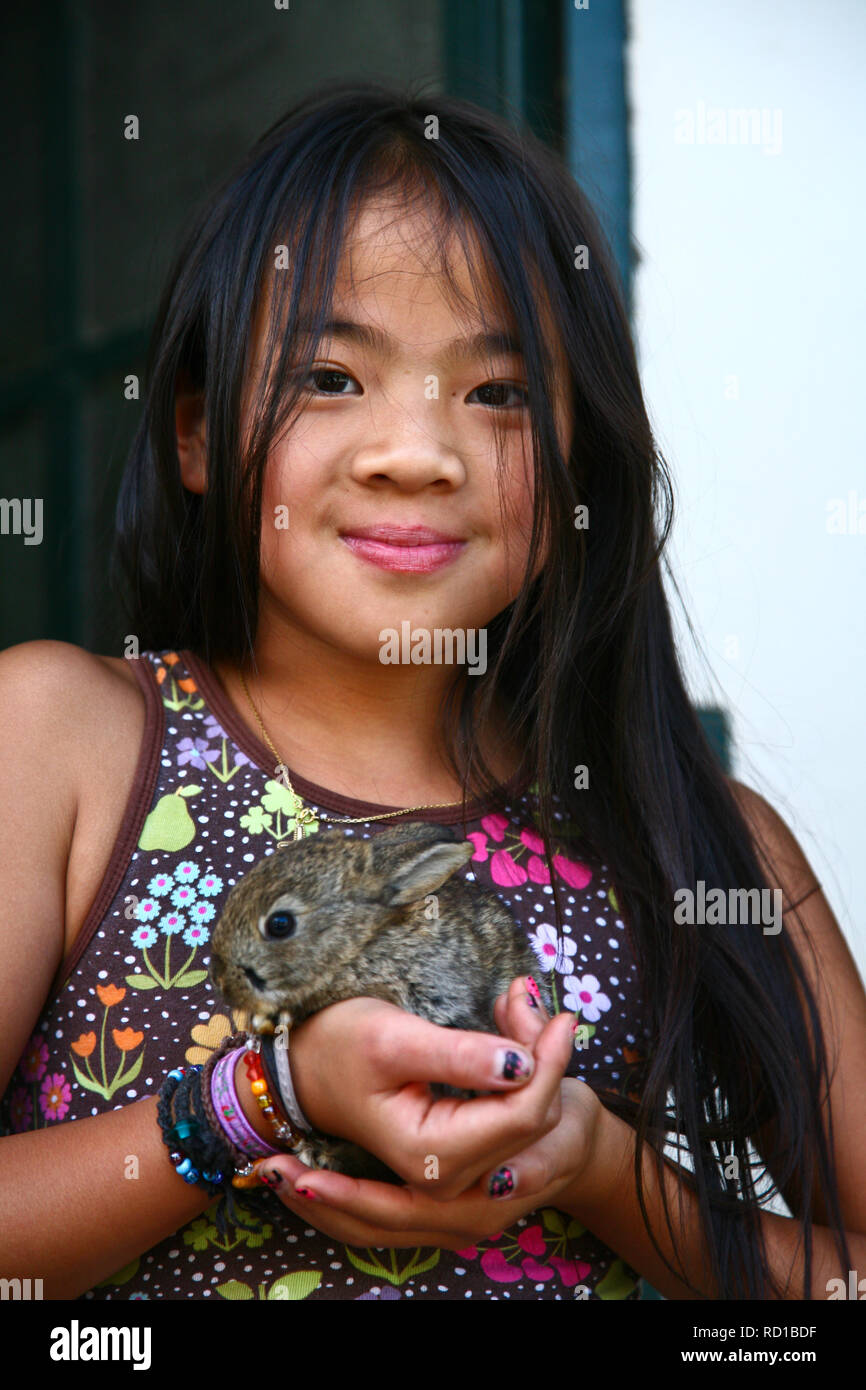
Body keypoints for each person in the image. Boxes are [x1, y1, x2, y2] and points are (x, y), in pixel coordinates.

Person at [0, 81, 862, 1303]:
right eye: (331, 377)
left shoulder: (704, 846)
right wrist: (261, 1100)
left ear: (579, 463)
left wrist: (599, 1169)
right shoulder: (59, 744)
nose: (416, 451)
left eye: (497, 392)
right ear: (194, 435)